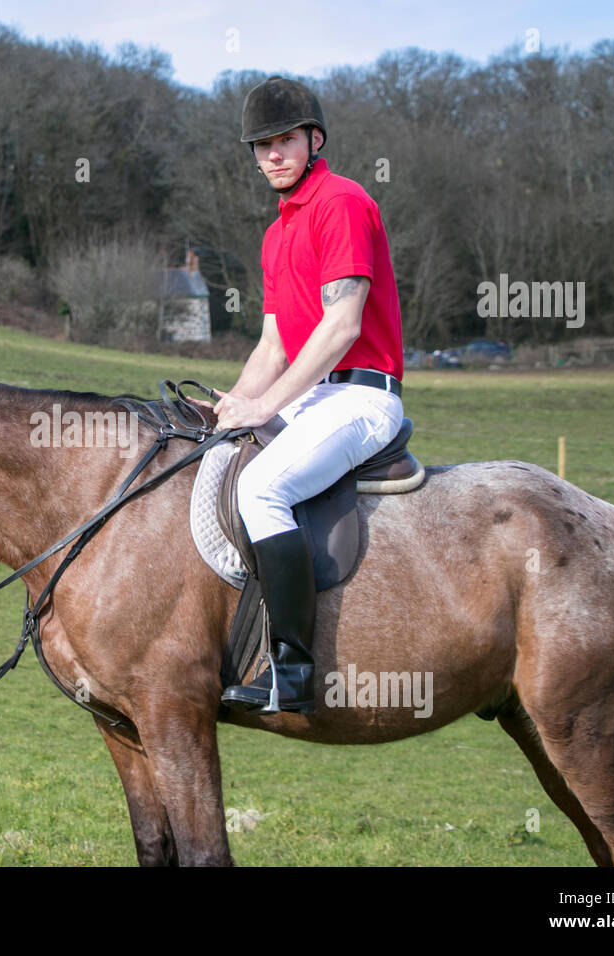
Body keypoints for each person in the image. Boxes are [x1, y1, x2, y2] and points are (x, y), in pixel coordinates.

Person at [213, 75, 405, 714]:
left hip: (362, 397)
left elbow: (341, 326)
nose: (273, 155)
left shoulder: (342, 203)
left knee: (261, 488)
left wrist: (264, 408)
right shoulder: (275, 234)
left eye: (285, 140)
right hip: (312, 395)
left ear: (314, 139)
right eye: (261, 145)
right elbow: (271, 349)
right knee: (218, 461)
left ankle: (292, 668)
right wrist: (226, 409)